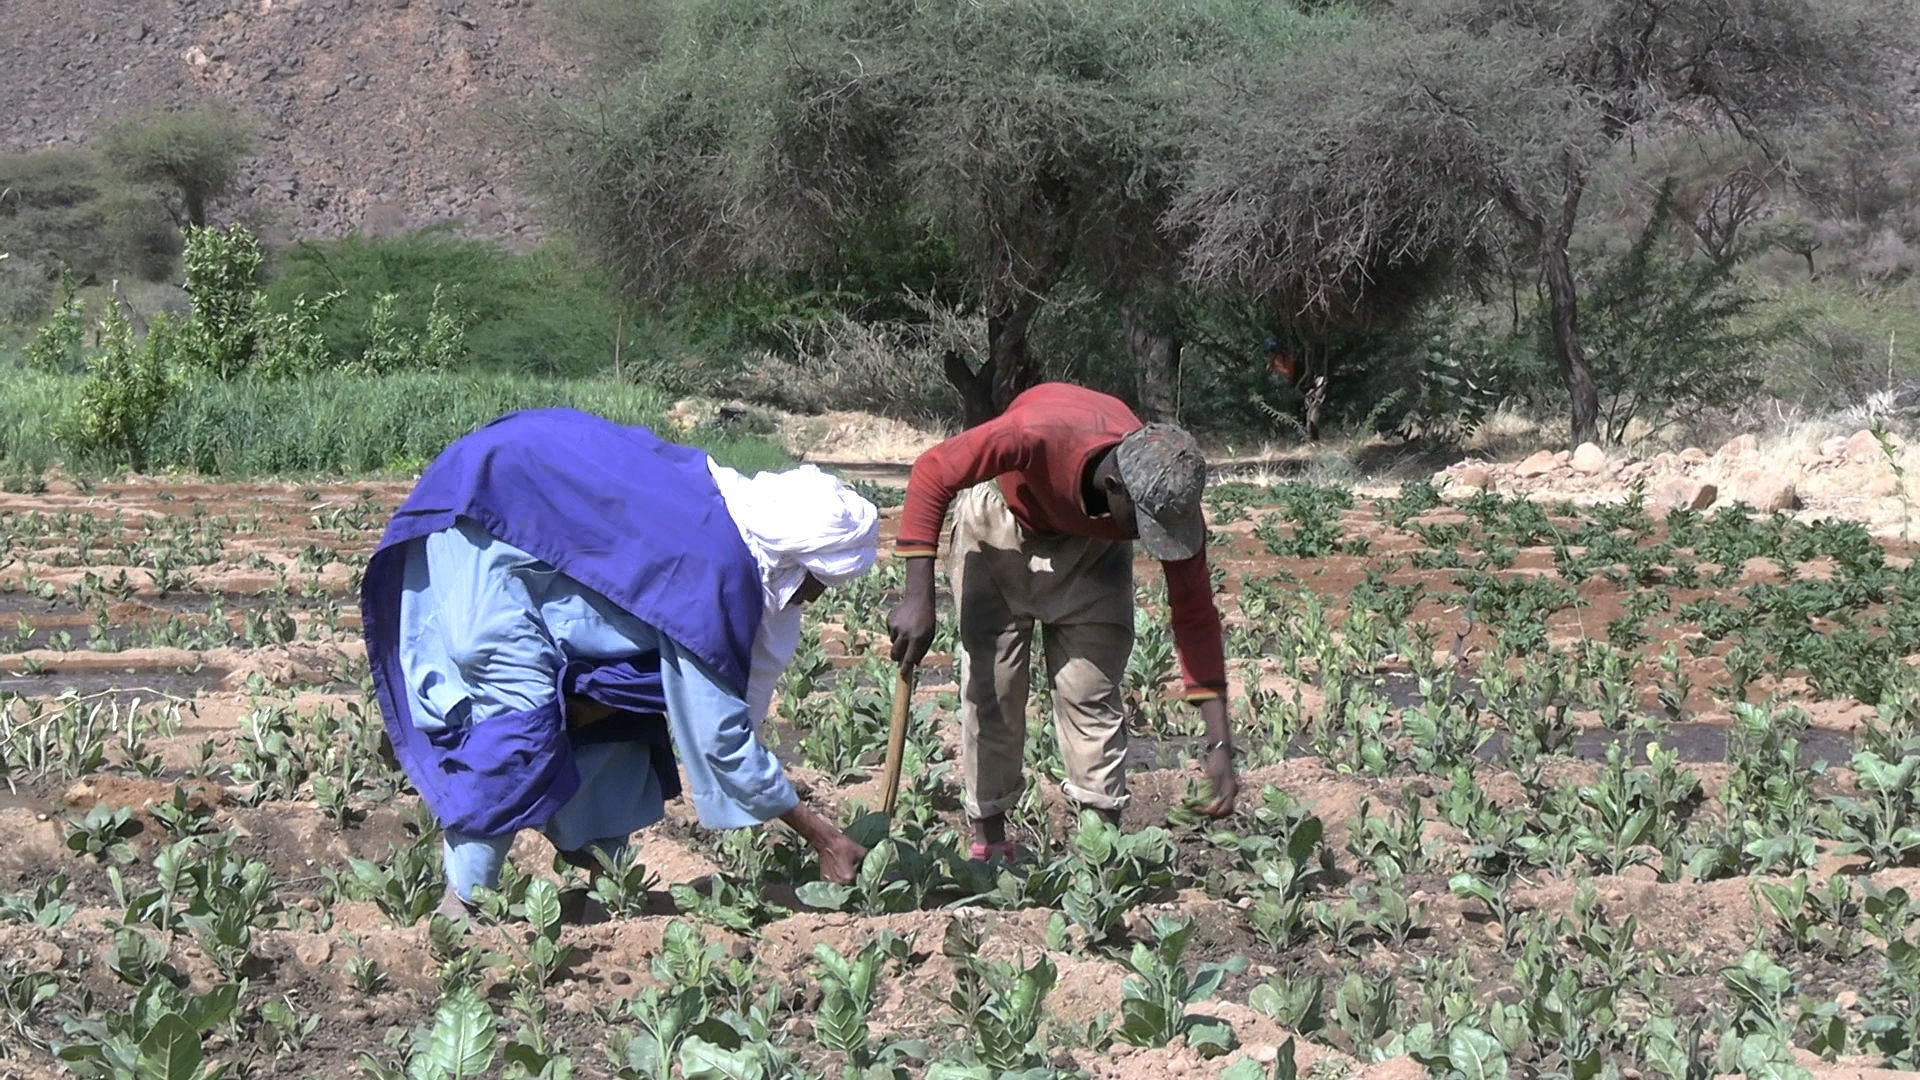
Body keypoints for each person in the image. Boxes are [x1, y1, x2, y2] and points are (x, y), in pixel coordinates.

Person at [360, 407, 876, 919]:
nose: (811, 599)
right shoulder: (718, 572)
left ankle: (609, 882)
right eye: (817, 583)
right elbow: (721, 738)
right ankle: (463, 904)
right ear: (798, 561)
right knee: (519, 730)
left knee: (623, 706)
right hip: (492, 522)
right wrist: (822, 835)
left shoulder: (720, 505)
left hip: (498, 485)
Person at [886, 382, 1239, 863]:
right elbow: (933, 470)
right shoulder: (1034, 434)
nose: (1148, 539)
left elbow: (1195, 613)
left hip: (1093, 553)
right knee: (993, 692)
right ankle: (989, 844)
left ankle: (1099, 854)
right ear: (1114, 486)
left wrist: (1219, 740)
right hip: (1002, 525)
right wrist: (916, 598)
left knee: (1090, 693)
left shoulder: (1165, 487)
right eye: (1142, 526)